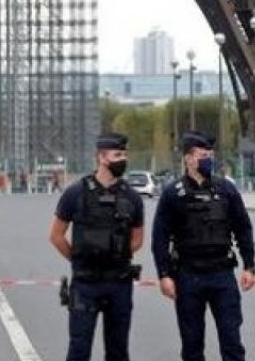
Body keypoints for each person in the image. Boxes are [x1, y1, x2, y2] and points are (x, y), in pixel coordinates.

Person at [152, 131, 255, 361]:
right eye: (202, 154)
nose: (208, 158)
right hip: (188, 275)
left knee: (232, 342)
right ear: (188, 159)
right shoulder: (172, 194)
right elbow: (159, 238)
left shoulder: (226, 190)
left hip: (222, 274)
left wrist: (250, 266)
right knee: (192, 345)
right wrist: (164, 275)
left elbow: (243, 229)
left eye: (210, 154)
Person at [49, 132, 145, 361]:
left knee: (118, 351)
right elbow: (56, 235)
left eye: (124, 154)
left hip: (118, 284)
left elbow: (138, 238)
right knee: (79, 350)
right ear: (102, 157)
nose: (123, 159)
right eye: (117, 155)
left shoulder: (132, 197)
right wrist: (79, 258)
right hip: (85, 284)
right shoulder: (75, 193)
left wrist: (116, 255)